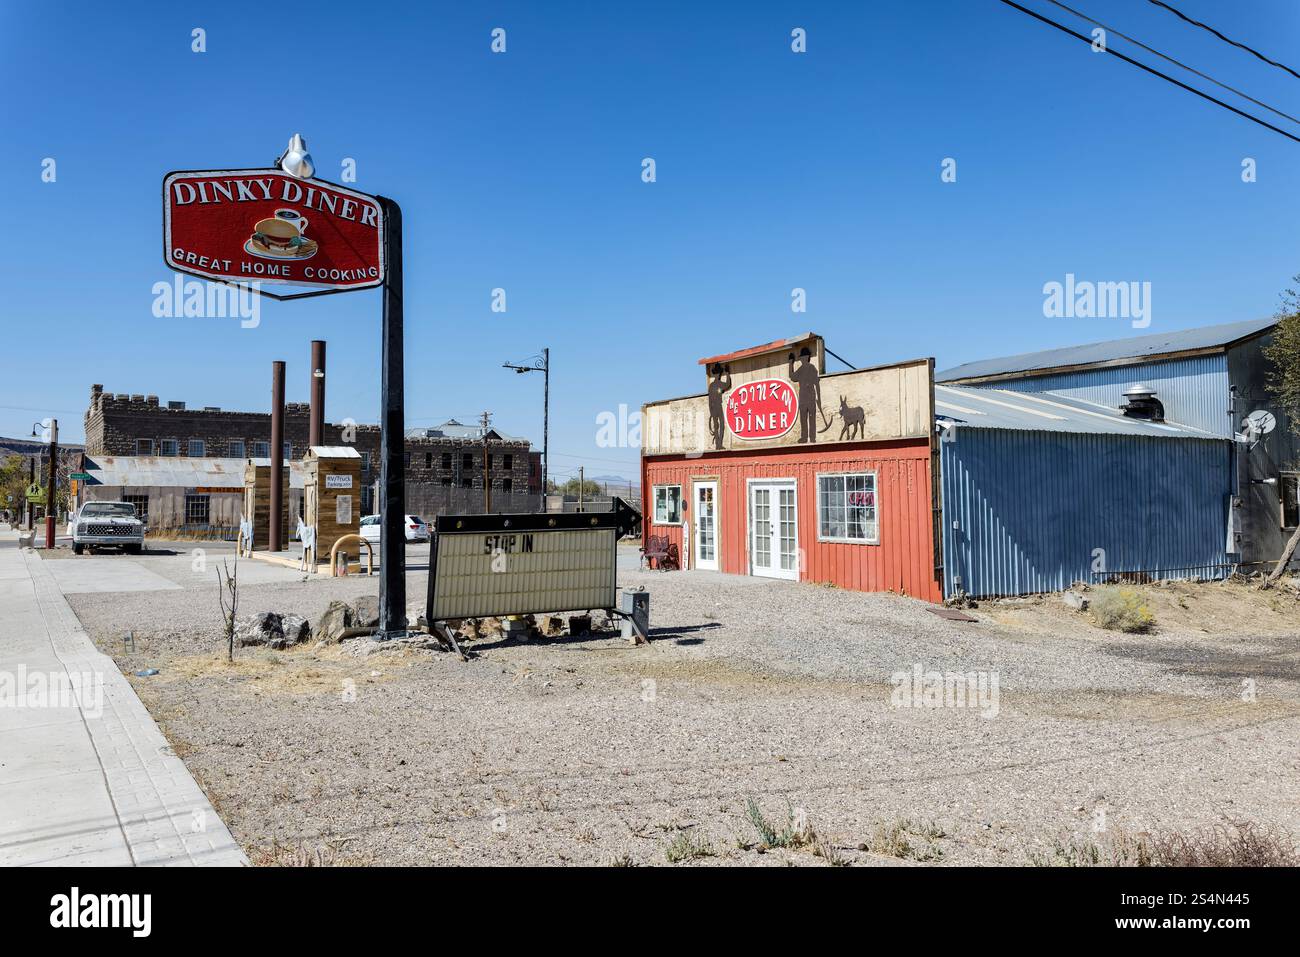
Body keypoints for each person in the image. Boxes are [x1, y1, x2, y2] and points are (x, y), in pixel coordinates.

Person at [788, 348, 822, 443]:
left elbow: (817, 384)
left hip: (810, 396)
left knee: (811, 418)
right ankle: (804, 437)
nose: (801, 359)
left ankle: (812, 438)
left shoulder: (812, 368)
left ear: (806, 357)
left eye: (802, 357)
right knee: (803, 418)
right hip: (803, 397)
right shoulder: (801, 369)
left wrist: (819, 398)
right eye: (801, 358)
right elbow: (792, 377)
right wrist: (791, 364)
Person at [706, 363, 732, 450]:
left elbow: (709, 401)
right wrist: (727, 374)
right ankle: (719, 444)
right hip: (717, 406)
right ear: (719, 374)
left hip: (714, 407)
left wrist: (711, 411)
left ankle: (718, 444)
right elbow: (728, 384)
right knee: (720, 425)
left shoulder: (711, 386)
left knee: (717, 426)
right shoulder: (719, 384)